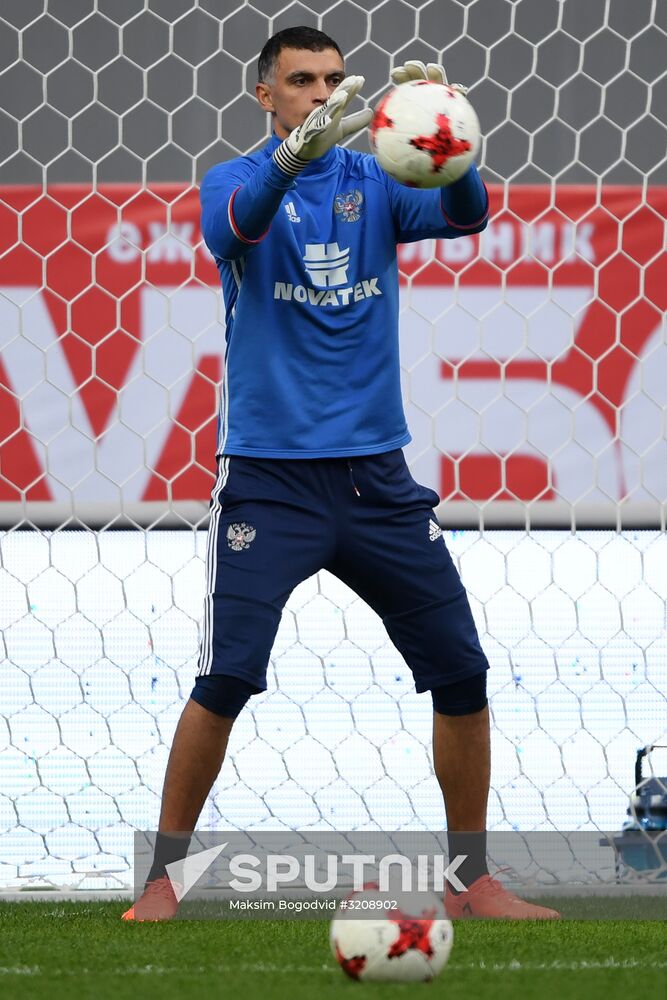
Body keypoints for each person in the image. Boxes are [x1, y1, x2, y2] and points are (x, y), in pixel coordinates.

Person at [123, 25, 558, 922]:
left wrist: (446, 131)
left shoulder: (377, 180)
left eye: (330, 80)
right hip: (269, 482)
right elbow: (230, 231)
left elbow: (469, 214)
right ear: (264, 93)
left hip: (376, 483)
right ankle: (164, 875)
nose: (319, 94)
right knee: (227, 676)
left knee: (461, 672)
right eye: (299, 81)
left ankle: (469, 878)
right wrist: (288, 160)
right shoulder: (236, 180)